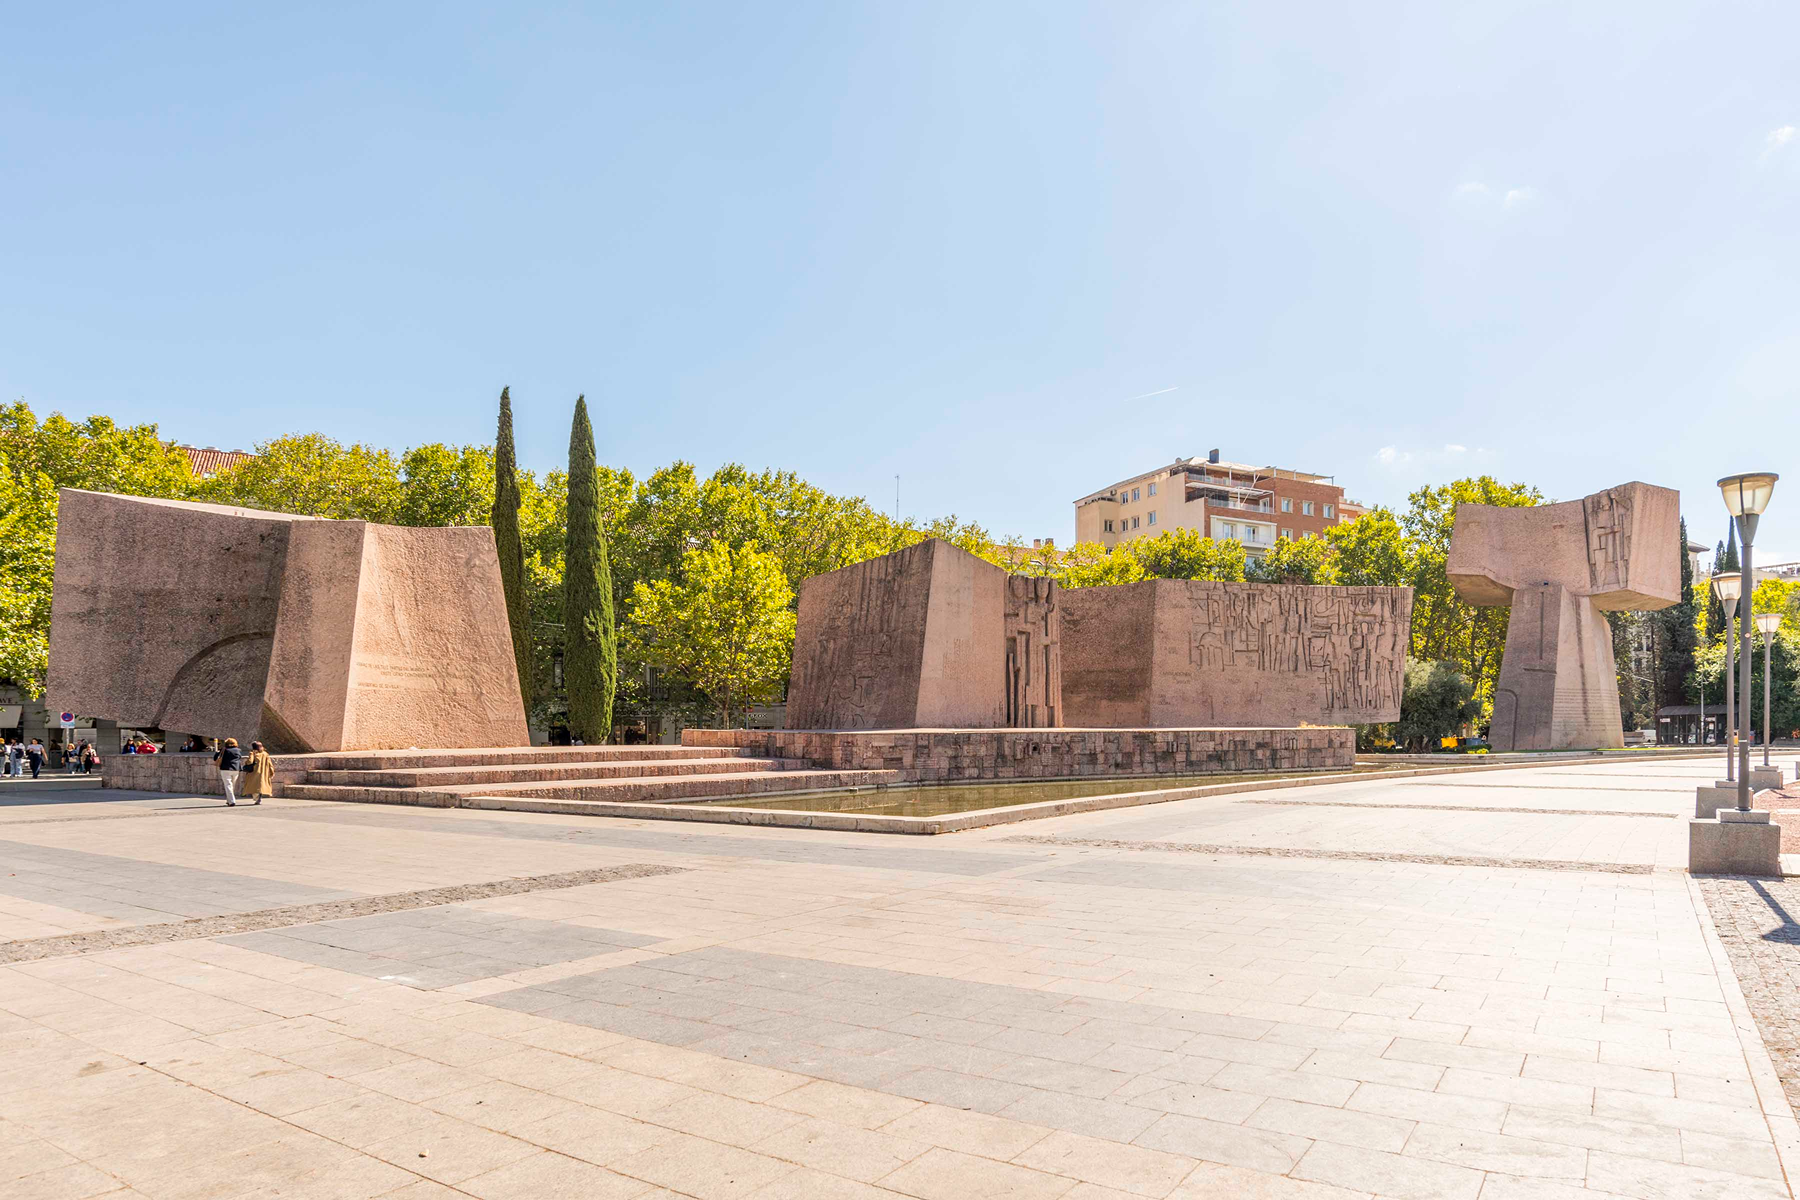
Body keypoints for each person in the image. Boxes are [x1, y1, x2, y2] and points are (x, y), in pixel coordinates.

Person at [239, 741, 273, 805]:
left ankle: (257, 798)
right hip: (263, 772)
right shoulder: (265, 754)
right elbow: (270, 764)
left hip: (254, 772)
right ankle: (259, 797)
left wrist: (246, 762)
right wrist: (271, 772)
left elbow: (250, 762)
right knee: (260, 785)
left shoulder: (253, 753)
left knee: (254, 785)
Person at [214, 738, 244, 806]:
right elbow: (239, 758)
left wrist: (217, 752)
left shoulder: (224, 750)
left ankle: (232, 801)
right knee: (232, 785)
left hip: (225, 769)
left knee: (228, 785)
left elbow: (215, 758)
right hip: (235, 769)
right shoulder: (238, 750)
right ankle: (229, 800)